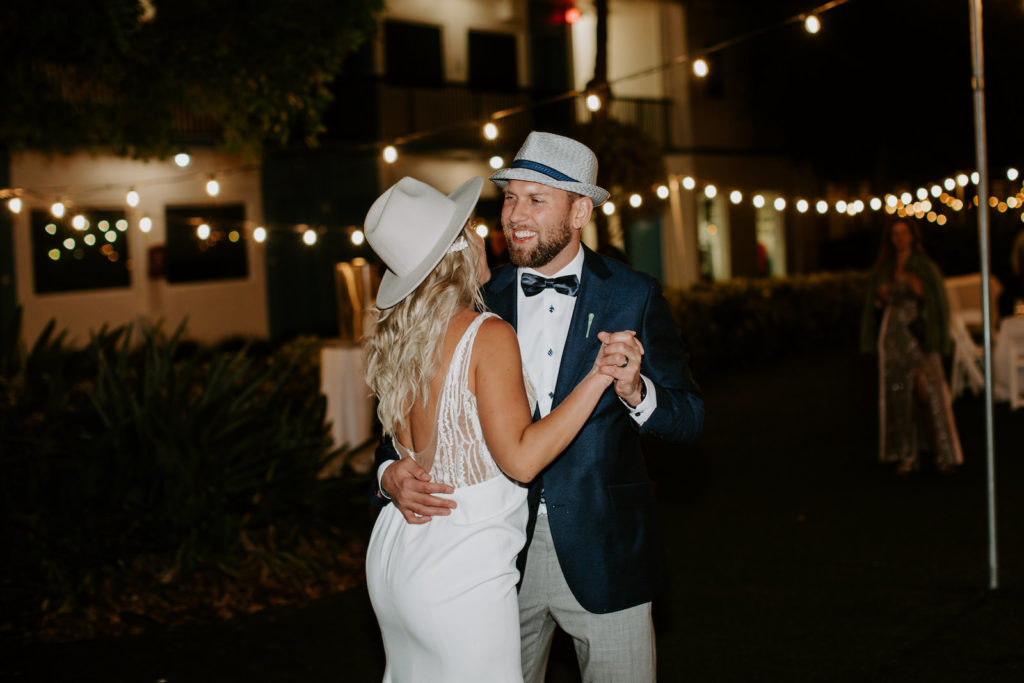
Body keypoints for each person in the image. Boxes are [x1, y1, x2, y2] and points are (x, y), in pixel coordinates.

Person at [376, 132, 704, 682]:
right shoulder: (478, 296)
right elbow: (407, 414)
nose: (515, 215)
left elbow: (690, 418)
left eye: (536, 199)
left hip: (606, 552)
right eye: (509, 198)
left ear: (580, 210)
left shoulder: (633, 294)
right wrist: (389, 473)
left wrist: (637, 392)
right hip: (495, 561)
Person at [362, 175, 627, 682]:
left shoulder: (403, 339)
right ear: (459, 246)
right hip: (462, 571)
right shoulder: (487, 333)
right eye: (473, 227)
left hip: (399, 555)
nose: (488, 233)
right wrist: (598, 377)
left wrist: (390, 472)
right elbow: (522, 460)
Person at [859, 217, 963, 474]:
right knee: (898, 394)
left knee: (928, 390)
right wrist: (881, 298)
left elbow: (937, 301)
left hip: (918, 334)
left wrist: (919, 293)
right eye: (895, 234)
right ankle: (908, 453)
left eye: (904, 233)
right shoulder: (885, 267)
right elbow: (874, 303)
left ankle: (943, 452)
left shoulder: (924, 266)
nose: (900, 238)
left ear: (913, 236)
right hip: (893, 335)